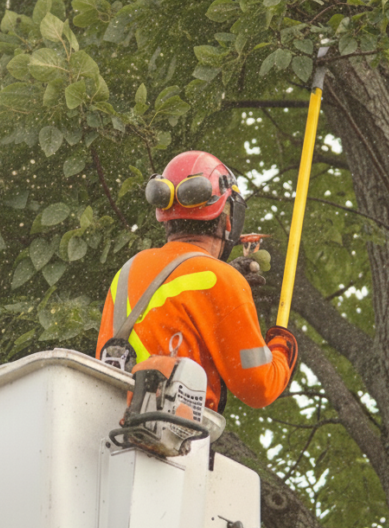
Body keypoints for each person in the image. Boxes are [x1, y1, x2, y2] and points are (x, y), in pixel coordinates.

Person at [95, 151, 298, 413]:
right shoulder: (221, 280)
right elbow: (259, 387)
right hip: (175, 435)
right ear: (228, 221)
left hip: (110, 427)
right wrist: (283, 345)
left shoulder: (128, 270)